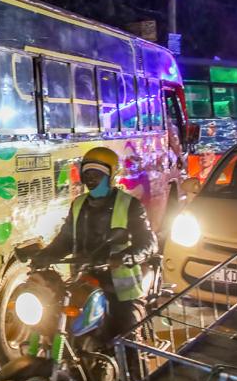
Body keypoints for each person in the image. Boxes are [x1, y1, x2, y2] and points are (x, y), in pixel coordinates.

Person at [33, 147, 155, 366]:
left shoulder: (129, 205)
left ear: (110, 175)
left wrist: (126, 257)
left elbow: (148, 242)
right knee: (57, 319)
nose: (91, 179)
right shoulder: (78, 204)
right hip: (84, 280)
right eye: (87, 173)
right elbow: (65, 239)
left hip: (120, 286)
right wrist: (46, 254)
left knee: (126, 334)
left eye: (97, 174)